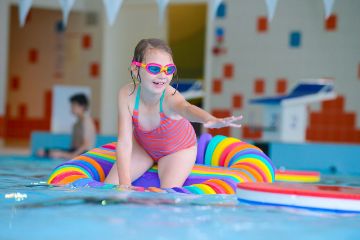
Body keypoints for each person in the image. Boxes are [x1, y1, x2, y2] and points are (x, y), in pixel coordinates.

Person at [105, 38, 242, 189]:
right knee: (110, 186)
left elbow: (186, 108)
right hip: (143, 146)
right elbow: (124, 142)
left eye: (169, 69)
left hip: (177, 150)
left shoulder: (170, 97)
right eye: (155, 69)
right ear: (136, 69)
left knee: (167, 193)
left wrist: (208, 118)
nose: (163, 75)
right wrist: (125, 185)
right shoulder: (127, 95)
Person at [37, 93, 96, 159]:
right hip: (75, 151)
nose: (71, 108)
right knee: (43, 151)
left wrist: (71, 155)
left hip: (84, 154)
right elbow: (73, 146)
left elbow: (86, 144)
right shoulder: (76, 124)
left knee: (53, 154)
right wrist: (65, 153)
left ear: (82, 106)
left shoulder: (86, 121)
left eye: (73, 106)